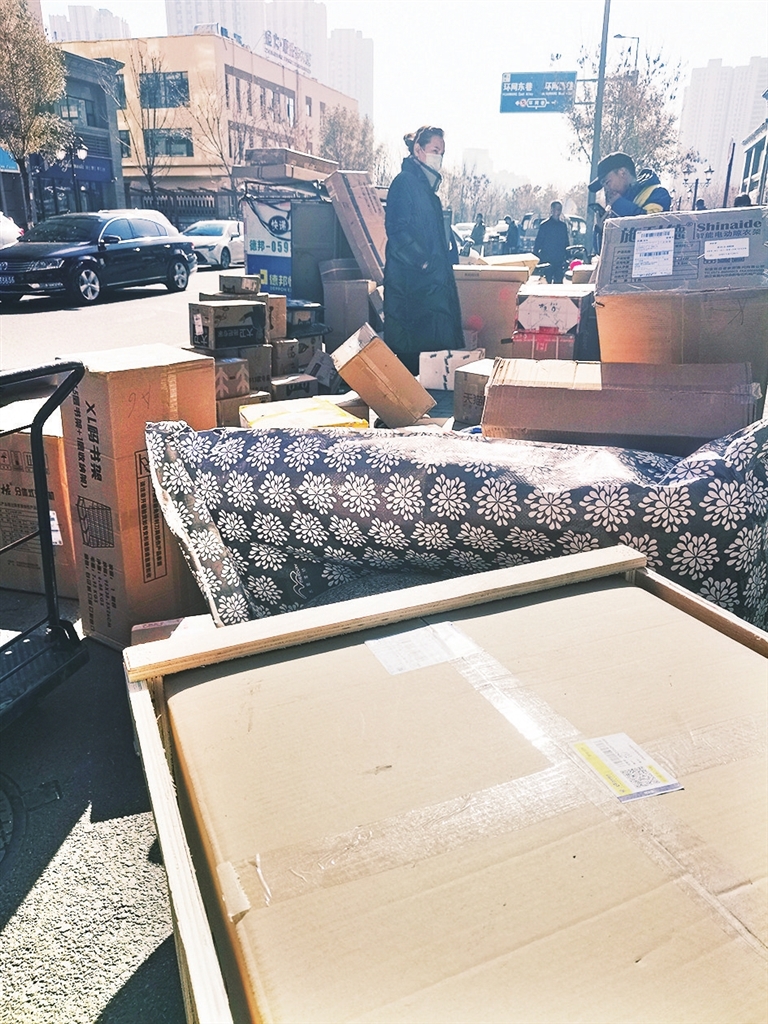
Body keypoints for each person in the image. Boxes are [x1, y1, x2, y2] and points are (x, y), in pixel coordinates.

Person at [383, 125, 464, 374]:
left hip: (428, 288)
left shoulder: (428, 192)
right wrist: (424, 262)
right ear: (418, 150)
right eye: (434, 150)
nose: (438, 157)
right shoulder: (404, 183)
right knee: (414, 361)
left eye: (442, 152)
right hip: (413, 289)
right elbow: (397, 231)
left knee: (431, 363)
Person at [588, 152, 671, 216]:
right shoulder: (614, 207)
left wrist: (619, 204)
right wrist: (601, 228)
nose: (606, 189)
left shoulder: (658, 193)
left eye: (607, 182)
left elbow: (651, 224)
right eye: (603, 186)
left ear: (622, 173)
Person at [533, 202, 569, 283]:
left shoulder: (562, 226)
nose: (558, 211)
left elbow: (566, 242)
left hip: (559, 259)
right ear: (552, 210)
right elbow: (538, 242)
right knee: (547, 281)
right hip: (547, 259)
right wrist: (536, 256)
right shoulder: (545, 225)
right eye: (557, 209)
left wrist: (568, 255)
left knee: (558, 282)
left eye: (560, 209)